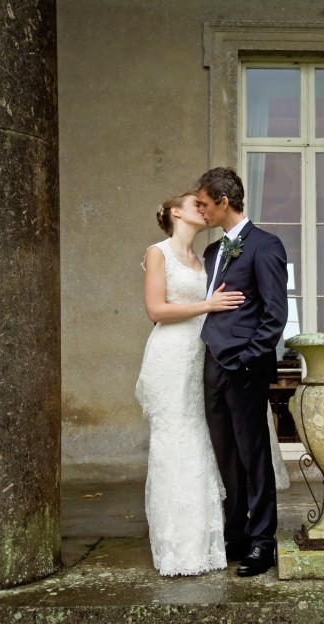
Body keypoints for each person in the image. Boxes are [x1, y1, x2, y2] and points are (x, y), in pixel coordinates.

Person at [135, 191, 245, 576]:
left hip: (200, 355)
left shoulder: (205, 259)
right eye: (193, 203)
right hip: (170, 355)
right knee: (175, 439)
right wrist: (207, 305)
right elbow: (156, 310)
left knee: (199, 441)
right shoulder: (157, 252)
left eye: (205, 204)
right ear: (174, 212)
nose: (202, 207)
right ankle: (175, 548)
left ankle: (205, 544)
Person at [197, 167, 289, 577]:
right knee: (225, 454)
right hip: (212, 364)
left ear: (223, 202)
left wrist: (247, 358)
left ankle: (262, 541)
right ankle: (235, 533)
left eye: (203, 203)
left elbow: (274, 316)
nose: (200, 211)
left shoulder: (266, 246)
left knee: (254, 455)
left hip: (245, 367)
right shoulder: (213, 253)